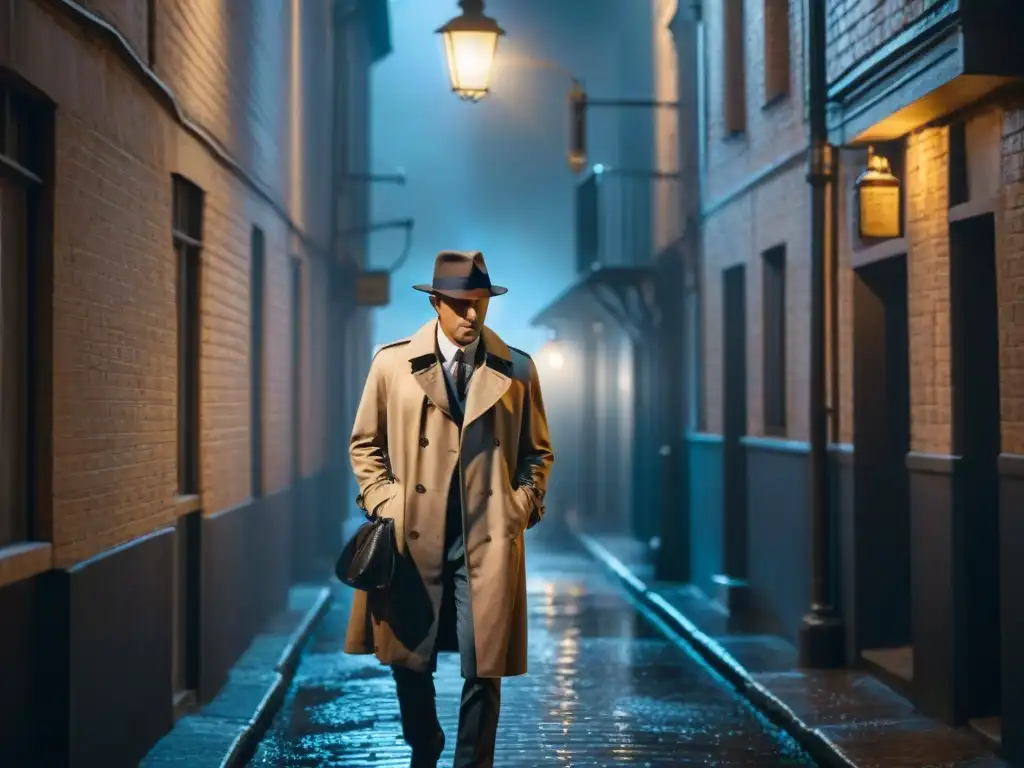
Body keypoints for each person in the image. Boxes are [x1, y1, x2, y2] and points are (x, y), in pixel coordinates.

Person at [344, 249, 555, 768]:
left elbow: (537, 452)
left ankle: (471, 762)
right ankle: (425, 742)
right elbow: (365, 445)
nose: (471, 316)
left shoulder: (518, 369)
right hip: (413, 535)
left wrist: (518, 507)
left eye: (479, 304)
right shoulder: (392, 364)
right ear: (436, 303)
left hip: (486, 538)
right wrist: (386, 501)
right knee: (407, 659)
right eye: (460, 305)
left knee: (484, 665)